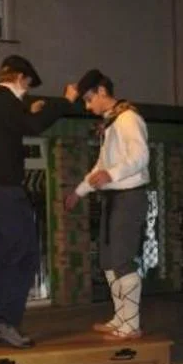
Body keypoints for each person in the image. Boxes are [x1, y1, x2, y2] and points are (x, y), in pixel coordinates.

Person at [0, 54, 77, 348]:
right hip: (4, 189)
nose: (27, 90)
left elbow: (17, 124)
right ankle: (5, 322)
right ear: (19, 78)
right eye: (28, 84)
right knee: (25, 254)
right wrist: (65, 102)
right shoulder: (5, 102)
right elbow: (33, 127)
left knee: (1, 258)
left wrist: (29, 110)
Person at [65, 69, 150, 340]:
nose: (88, 107)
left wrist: (111, 175)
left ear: (102, 91)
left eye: (89, 99)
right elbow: (100, 167)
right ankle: (121, 318)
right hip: (115, 198)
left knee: (122, 261)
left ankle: (131, 324)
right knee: (109, 261)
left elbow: (140, 156)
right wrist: (79, 191)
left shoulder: (128, 118)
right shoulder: (113, 122)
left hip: (129, 196)